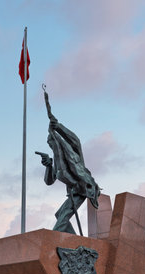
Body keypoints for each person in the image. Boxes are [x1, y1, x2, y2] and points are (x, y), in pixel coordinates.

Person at [36, 89, 100, 235]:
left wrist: (58, 126)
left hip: (83, 188)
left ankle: (53, 242)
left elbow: (75, 140)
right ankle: (75, 242)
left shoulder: (73, 155)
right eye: (49, 143)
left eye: (52, 141)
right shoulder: (57, 163)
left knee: (62, 218)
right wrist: (48, 165)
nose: (51, 144)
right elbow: (49, 181)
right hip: (73, 192)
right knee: (60, 216)